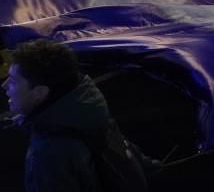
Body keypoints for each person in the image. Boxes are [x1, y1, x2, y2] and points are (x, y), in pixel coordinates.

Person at [2, 39, 152, 192]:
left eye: (13, 81)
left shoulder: (48, 154)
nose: (4, 85)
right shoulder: (87, 109)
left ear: (40, 93)